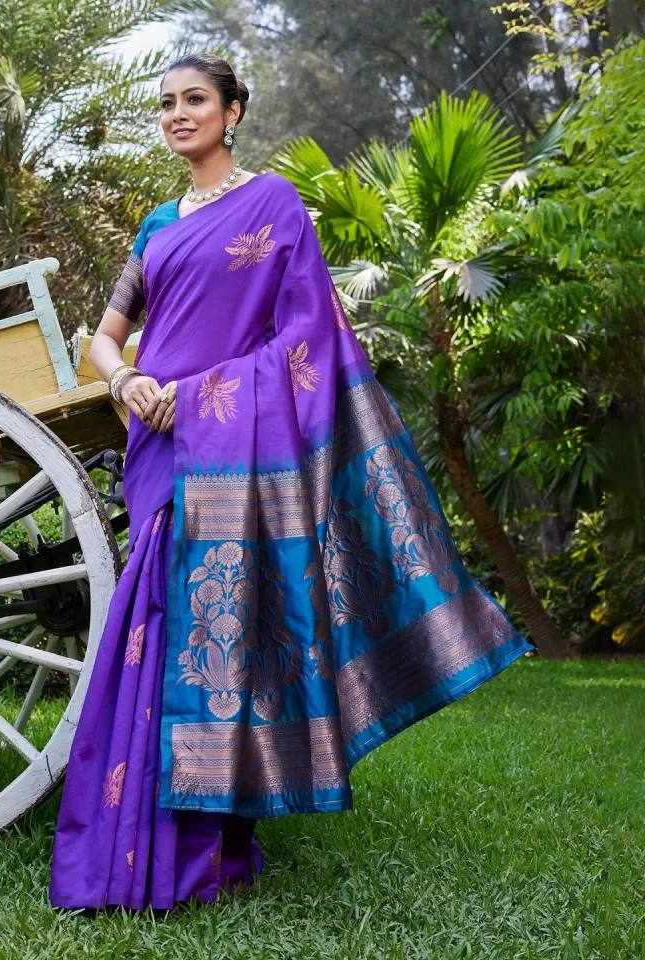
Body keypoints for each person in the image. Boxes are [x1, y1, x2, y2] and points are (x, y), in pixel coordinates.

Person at [49, 53, 535, 912]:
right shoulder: (157, 225)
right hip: (161, 447)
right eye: (165, 103)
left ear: (232, 112)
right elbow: (105, 337)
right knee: (155, 632)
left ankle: (202, 856)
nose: (177, 114)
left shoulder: (274, 206)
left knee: (221, 638)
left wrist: (203, 395)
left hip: (224, 443)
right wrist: (124, 380)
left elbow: (308, 341)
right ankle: (127, 850)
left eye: (195, 100)